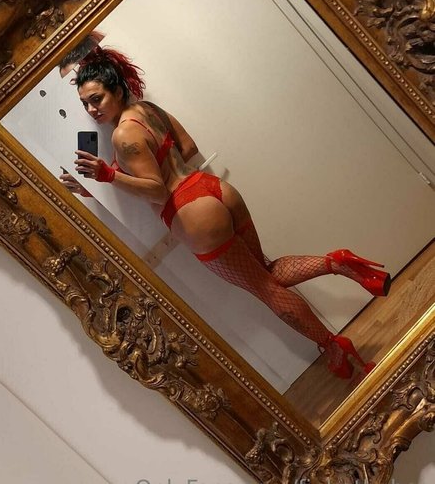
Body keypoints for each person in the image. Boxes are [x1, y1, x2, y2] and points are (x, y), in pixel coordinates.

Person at [60, 45, 391, 380]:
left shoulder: (122, 134)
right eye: (85, 103)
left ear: (117, 91)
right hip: (214, 189)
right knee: (267, 273)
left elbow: (158, 190)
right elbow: (187, 147)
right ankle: (338, 262)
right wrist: (103, 180)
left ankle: (334, 345)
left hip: (192, 215)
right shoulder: (147, 110)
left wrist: (109, 175)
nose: (91, 109)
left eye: (97, 99)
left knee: (266, 290)